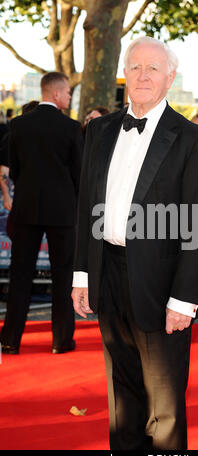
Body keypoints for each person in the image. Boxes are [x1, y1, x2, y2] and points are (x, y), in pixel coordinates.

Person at [72, 36, 198, 451]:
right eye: (135, 66)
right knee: (123, 395)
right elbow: (88, 209)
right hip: (108, 275)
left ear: (170, 78)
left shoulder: (191, 139)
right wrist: (82, 274)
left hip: (162, 285)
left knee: (165, 403)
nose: (142, 75)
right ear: (124, 73)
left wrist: (184, 299)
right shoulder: (99, 130)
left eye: (153, 68)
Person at [0, 72, 84, 355]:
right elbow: (79, 174)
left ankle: (10, 340)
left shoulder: (19, 125)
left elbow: (17, 169)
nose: (70, 97)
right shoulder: (71, 128)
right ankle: (61, 341)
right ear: (57, 94)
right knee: (63, 276)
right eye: (69, 93)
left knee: (20, 275)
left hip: (26, 207)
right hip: (61, 212)